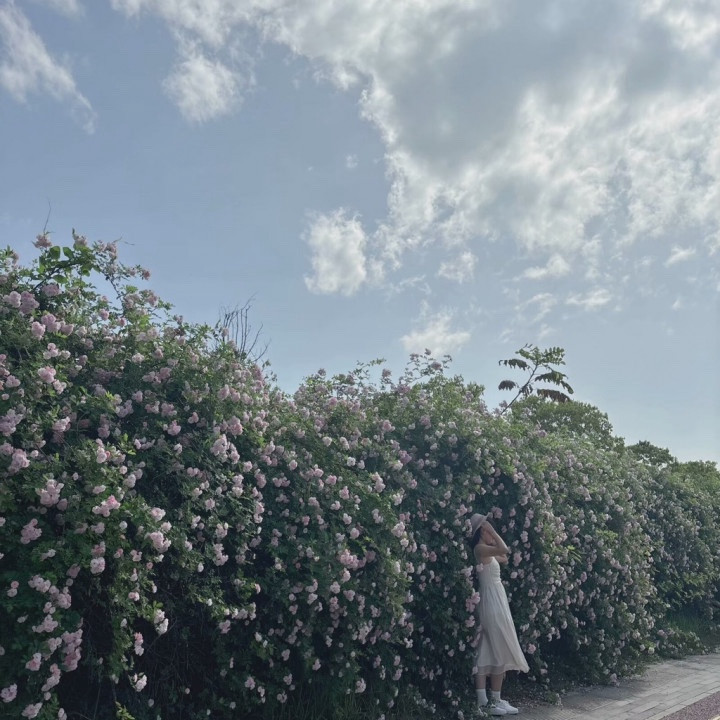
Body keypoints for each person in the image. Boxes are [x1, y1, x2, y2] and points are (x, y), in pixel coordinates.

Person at [468, 512, 529, 716]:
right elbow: (504, 549)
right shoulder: (479, 549)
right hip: (491, 602)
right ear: (482, 531)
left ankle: (493, 699)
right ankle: (486, 700)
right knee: (497, 646)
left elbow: (503, 556)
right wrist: (493, 533)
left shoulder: (486, 551)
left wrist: (492, 537)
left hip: (496, 600)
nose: (491, 532)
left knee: (489, 649)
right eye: (488, 529)